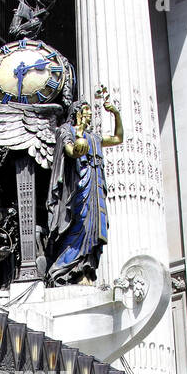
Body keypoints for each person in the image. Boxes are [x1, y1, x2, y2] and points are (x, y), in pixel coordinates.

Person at [45, 94, 123, 284]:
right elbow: (73, 152)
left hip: (96, 188)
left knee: (95, 226)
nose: (90, 116)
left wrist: (116, 114)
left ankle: (85, 269)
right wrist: (78, 131)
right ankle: (62, 269)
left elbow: (118, 138)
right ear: (78, 114)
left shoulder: (94, 137)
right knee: (79, 224)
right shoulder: (66, 131)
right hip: (78, 188)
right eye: (86, 112)